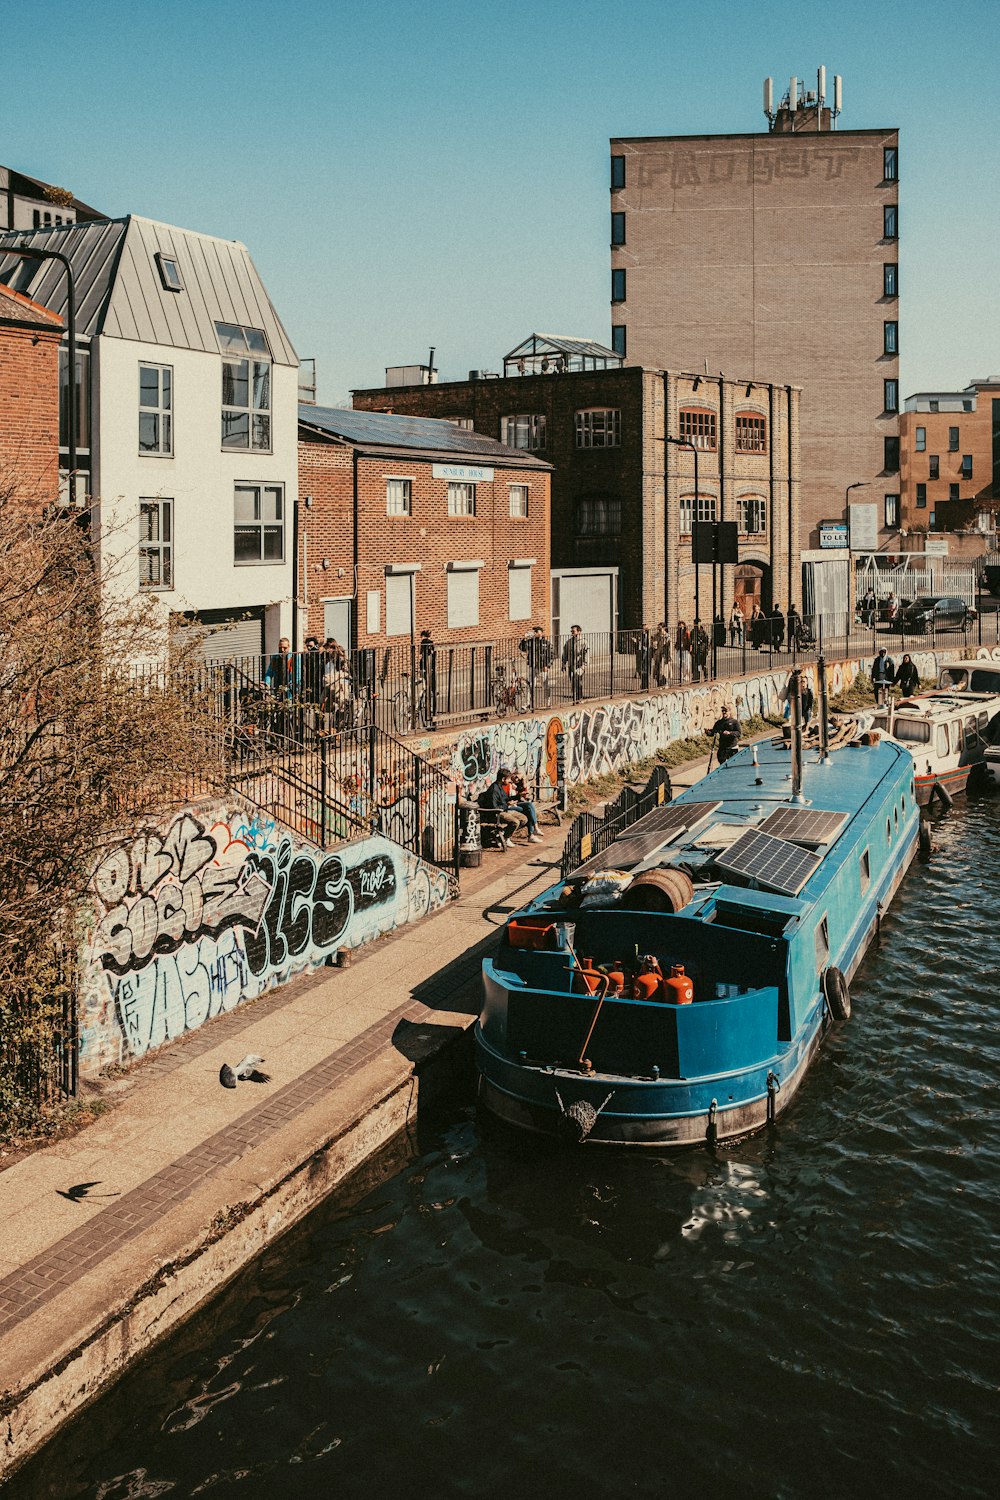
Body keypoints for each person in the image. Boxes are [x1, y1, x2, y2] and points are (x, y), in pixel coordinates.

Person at [478, 771, 528, 845]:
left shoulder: (500, 787)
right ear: (503, 779)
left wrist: (518, 796)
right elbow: (494, 807)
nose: (510, 781)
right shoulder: (494, 789)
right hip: (495, 814)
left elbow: (505, 798)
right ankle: (505, 838)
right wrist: (507, 805)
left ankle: (502, 836)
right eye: (508, 779)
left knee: (523, 819)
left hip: (504, 810)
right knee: (515, 822)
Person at [520, 624, 554, 706]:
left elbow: (551, 655)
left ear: (541, 633)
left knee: (545, 686)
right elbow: (522, 648)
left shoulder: (546, 643)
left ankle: (548, 702)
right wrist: (524, 639)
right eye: (534, 632)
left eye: (537, 631)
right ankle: (528, 703)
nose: (535, 633)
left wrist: (547, 665)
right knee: (530, 685)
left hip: (542, 667)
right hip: (533, 666)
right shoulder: (531, 642)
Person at [506, 770, 543, 843]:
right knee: (528, 808)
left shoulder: (517, 784)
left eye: (519, 779)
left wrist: (524, 783)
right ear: (512, 775)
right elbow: (507, 798)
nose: (517, 779)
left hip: (516, 803)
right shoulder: (507, 784)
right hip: (509, 805)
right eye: (516, 777)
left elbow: (524, 796)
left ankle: (532, 833)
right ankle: (533, 831)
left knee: (529, 808)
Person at [562, 624, 588, 703]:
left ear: (579, 632)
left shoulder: (584, 642)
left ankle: (579, 698)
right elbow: (565, 653)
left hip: (579, 666)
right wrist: (563, 664)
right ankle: (575, 698)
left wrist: (584, 666)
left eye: (574, 631)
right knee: (573, 682)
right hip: (571, 665)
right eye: (571, 631)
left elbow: (586, 655)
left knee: (578, 681)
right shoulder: (569, 642)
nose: (572, 633)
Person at [419, 629, 437, 720]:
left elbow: (421, 653)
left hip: (423, 663)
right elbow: (432, 653)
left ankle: (425, 689)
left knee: (424, 679)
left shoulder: (422, 642)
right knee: (431, 679)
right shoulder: (430, 642)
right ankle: (430, 691)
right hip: (429, 664)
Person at [651, 622, 671, 686]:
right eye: (658, 628)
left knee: (664, 670)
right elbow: (653, 645)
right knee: (657, 669)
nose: (659, 630)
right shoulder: (656, 635)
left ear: (664, 628)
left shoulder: (667, 636)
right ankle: (659, 683)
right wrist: (654, 644)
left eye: (660, 628)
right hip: (657, 654)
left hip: (664, 654)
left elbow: (668, 645)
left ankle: (665, 683)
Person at [634, 625, 651, 692]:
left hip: (645, 655)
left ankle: (645, 686)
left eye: (644, 629)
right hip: (640, 654)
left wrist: (637, 642)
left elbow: (647, 647)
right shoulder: (641, 636)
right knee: (641, 670)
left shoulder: (647, 637)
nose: (643, 631)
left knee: (645, 671)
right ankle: (643, 685)